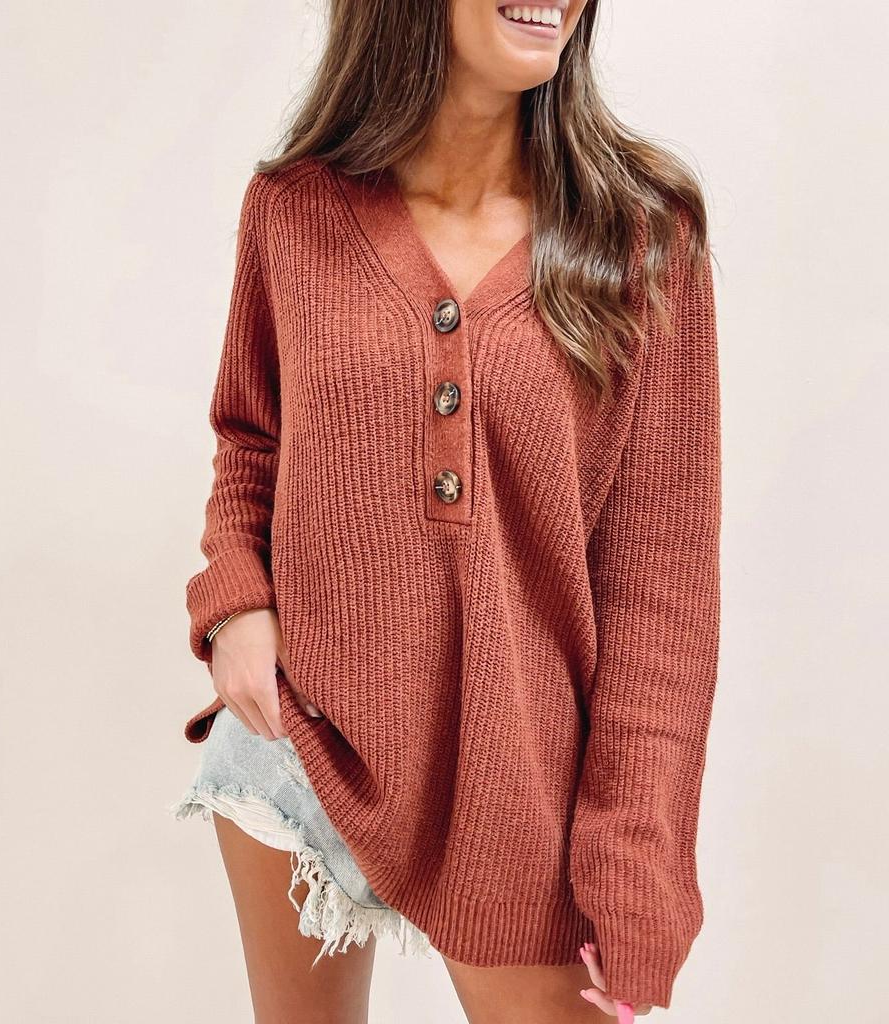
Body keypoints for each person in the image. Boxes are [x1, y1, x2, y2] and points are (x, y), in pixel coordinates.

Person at [172, 1, 722, 1021]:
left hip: (520, 793)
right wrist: (237, 604)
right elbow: (251, 437)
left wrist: (633, 865)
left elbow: (662, 595)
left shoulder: (643, 235)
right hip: (297, 744)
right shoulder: (294, 208)